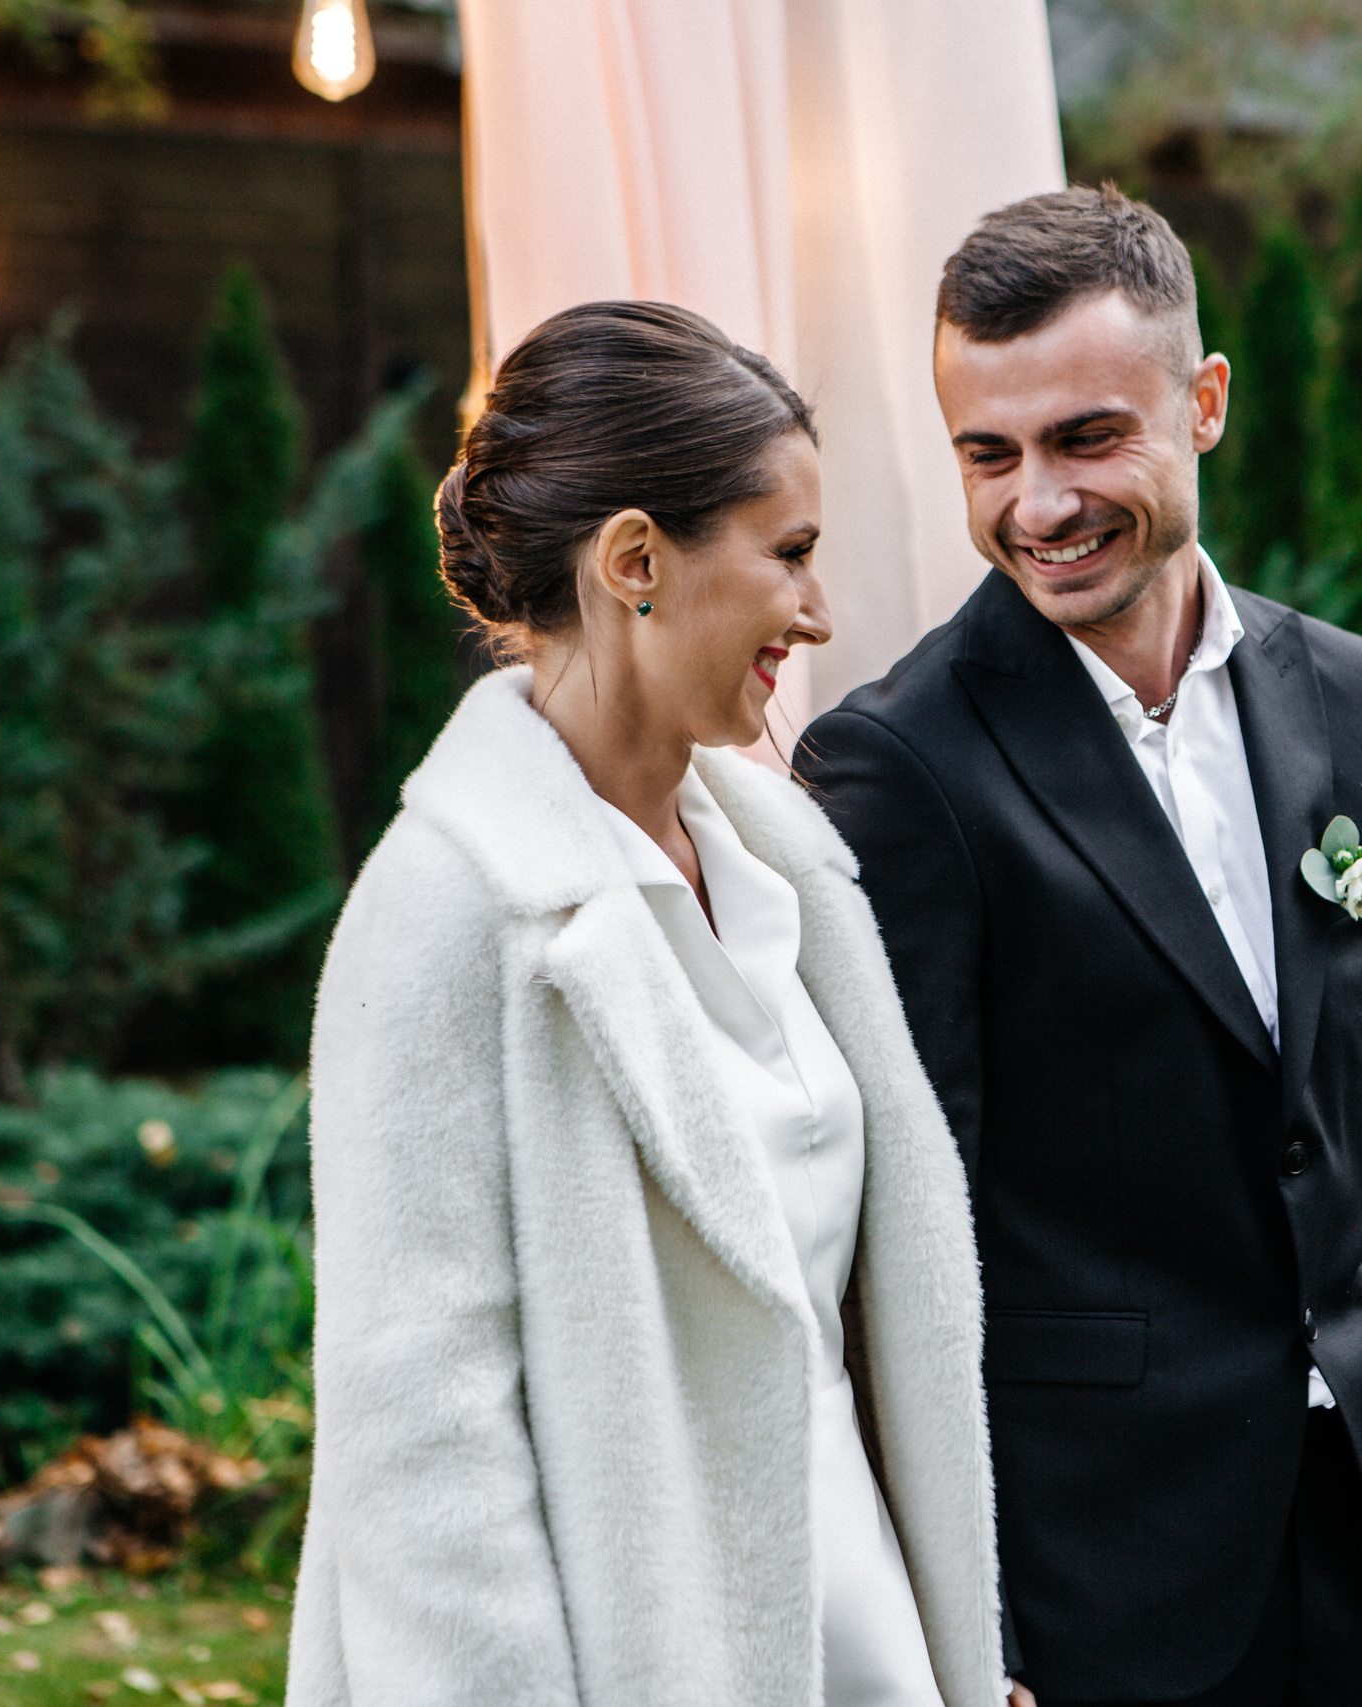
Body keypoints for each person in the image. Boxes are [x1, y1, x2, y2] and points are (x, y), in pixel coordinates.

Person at [795, 187, 1362, 1707]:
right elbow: (889, 1231)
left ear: (1203, 402)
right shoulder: (900, 768)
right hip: (1090, 1574)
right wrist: (959, 1619)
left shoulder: (1346, 693)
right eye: (987, 454)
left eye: (1089, 438)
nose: (1037, 504)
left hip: (1361, 1525)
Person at [285, 300, 1005, 1707]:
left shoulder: (786, 867)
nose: (819, 611)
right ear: (635, 562)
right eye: (788, 555)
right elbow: (422, 1457)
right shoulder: (445, 912)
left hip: (859, 1633)